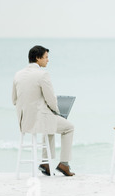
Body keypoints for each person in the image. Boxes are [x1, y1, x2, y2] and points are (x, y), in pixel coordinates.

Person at [12, 45, 75, 176]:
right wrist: (58, 112)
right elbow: (51, 100)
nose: (48, 60)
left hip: (24, 122)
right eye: (46, 57)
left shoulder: (18, 75)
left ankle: (45, 163)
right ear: (37, 58)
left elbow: (14, 100)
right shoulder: (42, 75)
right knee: (68, 127)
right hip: (40, 119)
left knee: (50, 122)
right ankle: (64, 164)